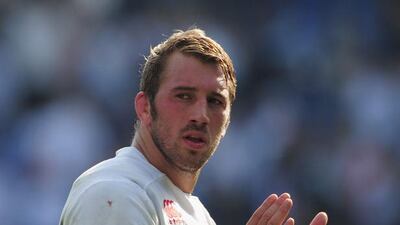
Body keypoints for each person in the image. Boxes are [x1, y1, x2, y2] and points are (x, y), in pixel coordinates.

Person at [59, 28, 328, 225]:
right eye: (184, 96)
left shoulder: (196, 214)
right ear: (145, 108)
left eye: (215, 101)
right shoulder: (115, 193)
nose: (201, 115)